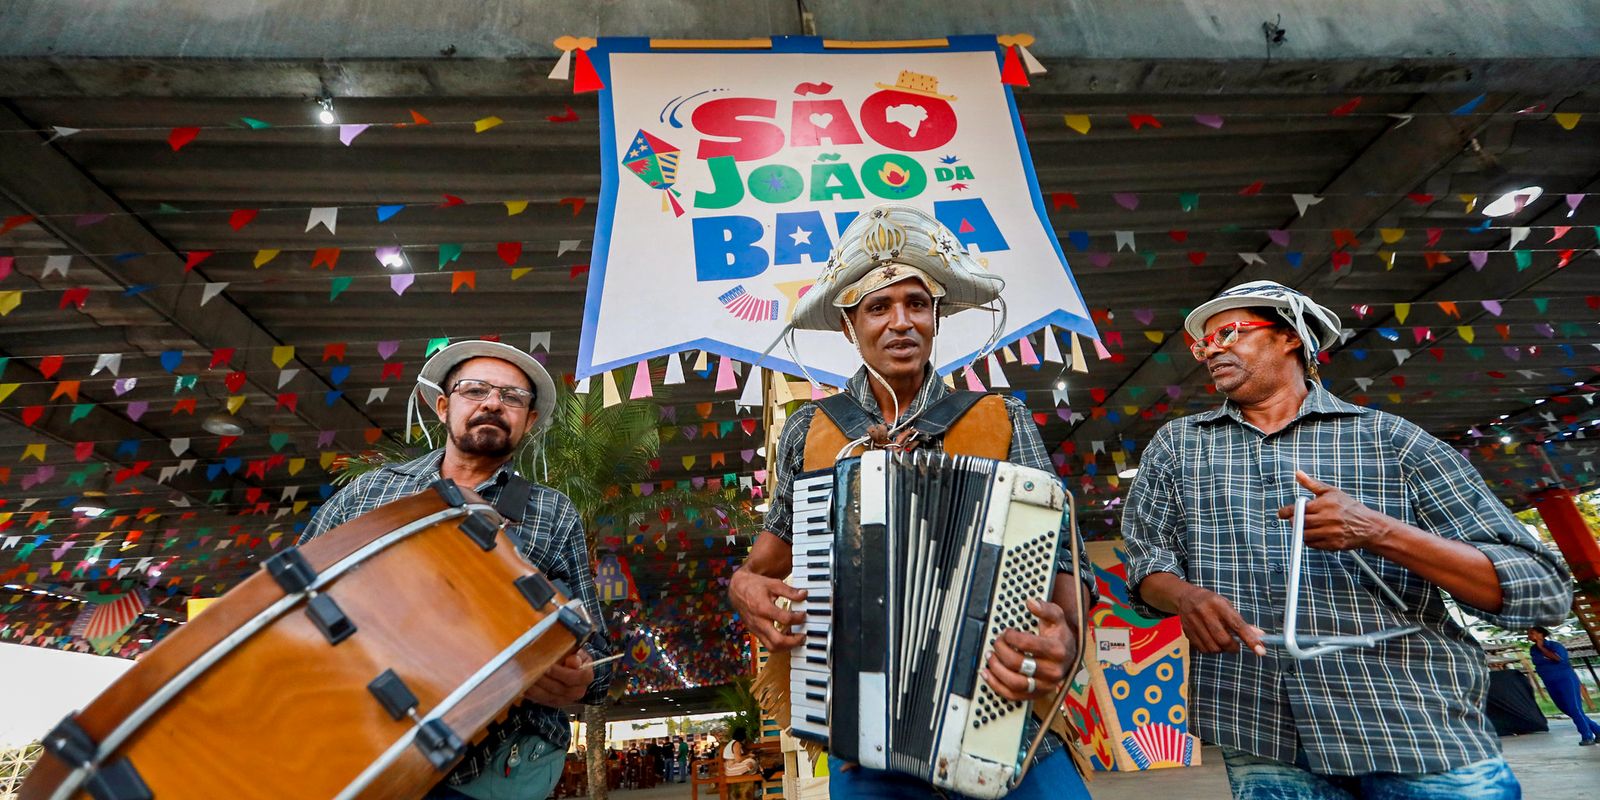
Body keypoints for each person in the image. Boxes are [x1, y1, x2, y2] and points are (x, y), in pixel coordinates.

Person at [1122, 280, 1572, 798]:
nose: (1212, 349)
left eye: (1231, 331)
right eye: (1204, 343)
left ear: (1291, 336)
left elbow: (1541, 590)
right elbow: (1147, 560)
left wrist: (1379, 531)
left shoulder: (1392, 440)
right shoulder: (1178, 447)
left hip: (1409, 723)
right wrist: (1186, 596)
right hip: (1259, 727)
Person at [728, 204, 1095, 800]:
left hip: (1004, 712)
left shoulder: (1003, 419)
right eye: (878, 307)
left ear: (936, 318)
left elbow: (1062, 561)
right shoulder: (811, 430)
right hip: (861, 739)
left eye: (917, 305)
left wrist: (1069, 638)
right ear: (850, 326)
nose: (901, 323)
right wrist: (741, 586)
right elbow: (764, 565)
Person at [299, 339, 613, 800]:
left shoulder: (551, 512)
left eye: (512, 397)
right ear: (444, 406)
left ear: (527, 422)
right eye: (475, 390)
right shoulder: (371, 493)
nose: (492, 402)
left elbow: (597, 657)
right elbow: (291, 593)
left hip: (490, 769)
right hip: (363, 748)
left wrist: (579, 675)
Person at [1528, 626, 1600, 745]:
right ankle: (1598, 730)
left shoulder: (1555, 646)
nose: (1529, 635)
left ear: (1541, 634)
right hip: (1550, 682)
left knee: (1574, 708)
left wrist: (1542, 647)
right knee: (1566, 709)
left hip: (1566, 680)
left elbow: (1558, 659)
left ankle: (1587, 736)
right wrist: (1540, 650)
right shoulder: (1533, 650)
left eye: (1532, 633)